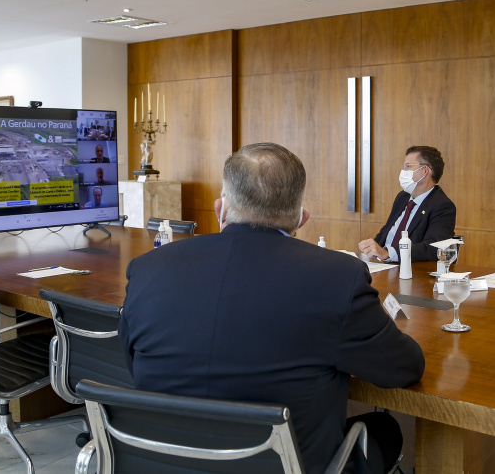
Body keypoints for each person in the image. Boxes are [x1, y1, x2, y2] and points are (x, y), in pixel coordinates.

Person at [119, 142, 425, 474]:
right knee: (386, 430)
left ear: (221, 209)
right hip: (286, 463)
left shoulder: (147, 268)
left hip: (161, 460)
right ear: (301, 218)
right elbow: (403, 367)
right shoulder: (338, 277)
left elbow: (131, 362)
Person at [359, 145, 456, 262]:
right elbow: (387, 232)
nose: (403, 172)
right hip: (383, 264)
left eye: (408, 166)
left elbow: (432, 248)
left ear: (425, 171)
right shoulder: (402, 197)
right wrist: (371, 247)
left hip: (410, 268)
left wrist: (388, 253)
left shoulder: (442, 206)